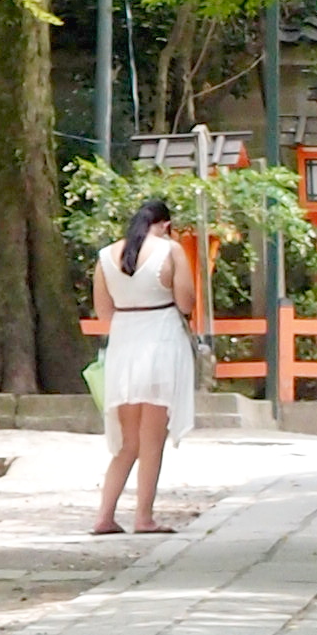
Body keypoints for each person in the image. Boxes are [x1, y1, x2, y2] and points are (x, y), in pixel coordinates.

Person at [90, 195, 198, 534]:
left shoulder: (106, 256)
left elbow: (103, 313)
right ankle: (143, 517)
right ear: (165, 225)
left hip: (124, 343)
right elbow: (186, 302)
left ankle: (104, 516)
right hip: (161, 341)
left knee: (128, 443)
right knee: (153, 439)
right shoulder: (171, 251)